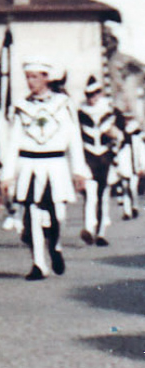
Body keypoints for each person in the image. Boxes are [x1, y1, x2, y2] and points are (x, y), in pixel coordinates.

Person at [0, 60, 87, 280]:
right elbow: (14, 141)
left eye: (35, 77)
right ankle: (38, 264)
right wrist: (7, 175)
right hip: (29, 164)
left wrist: (79, 170)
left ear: (46, 77)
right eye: (28, 77)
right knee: (32, 213)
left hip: (55, 164)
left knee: (57, 214)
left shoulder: (62, 103)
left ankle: (55, 245)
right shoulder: (21, 106)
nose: (31, 82)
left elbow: (73, 137)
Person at [77, 76, 117, 246]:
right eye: (89, 94)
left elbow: (120, 135)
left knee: (103, 195)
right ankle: (89, 229)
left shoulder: (110, 111)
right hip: (89, 156)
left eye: (95, 94)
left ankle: (100, 233)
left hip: (105, 157)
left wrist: (114, 138)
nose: (92, 98)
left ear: (100, 93)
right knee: (91, 193)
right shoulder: (81, 113)